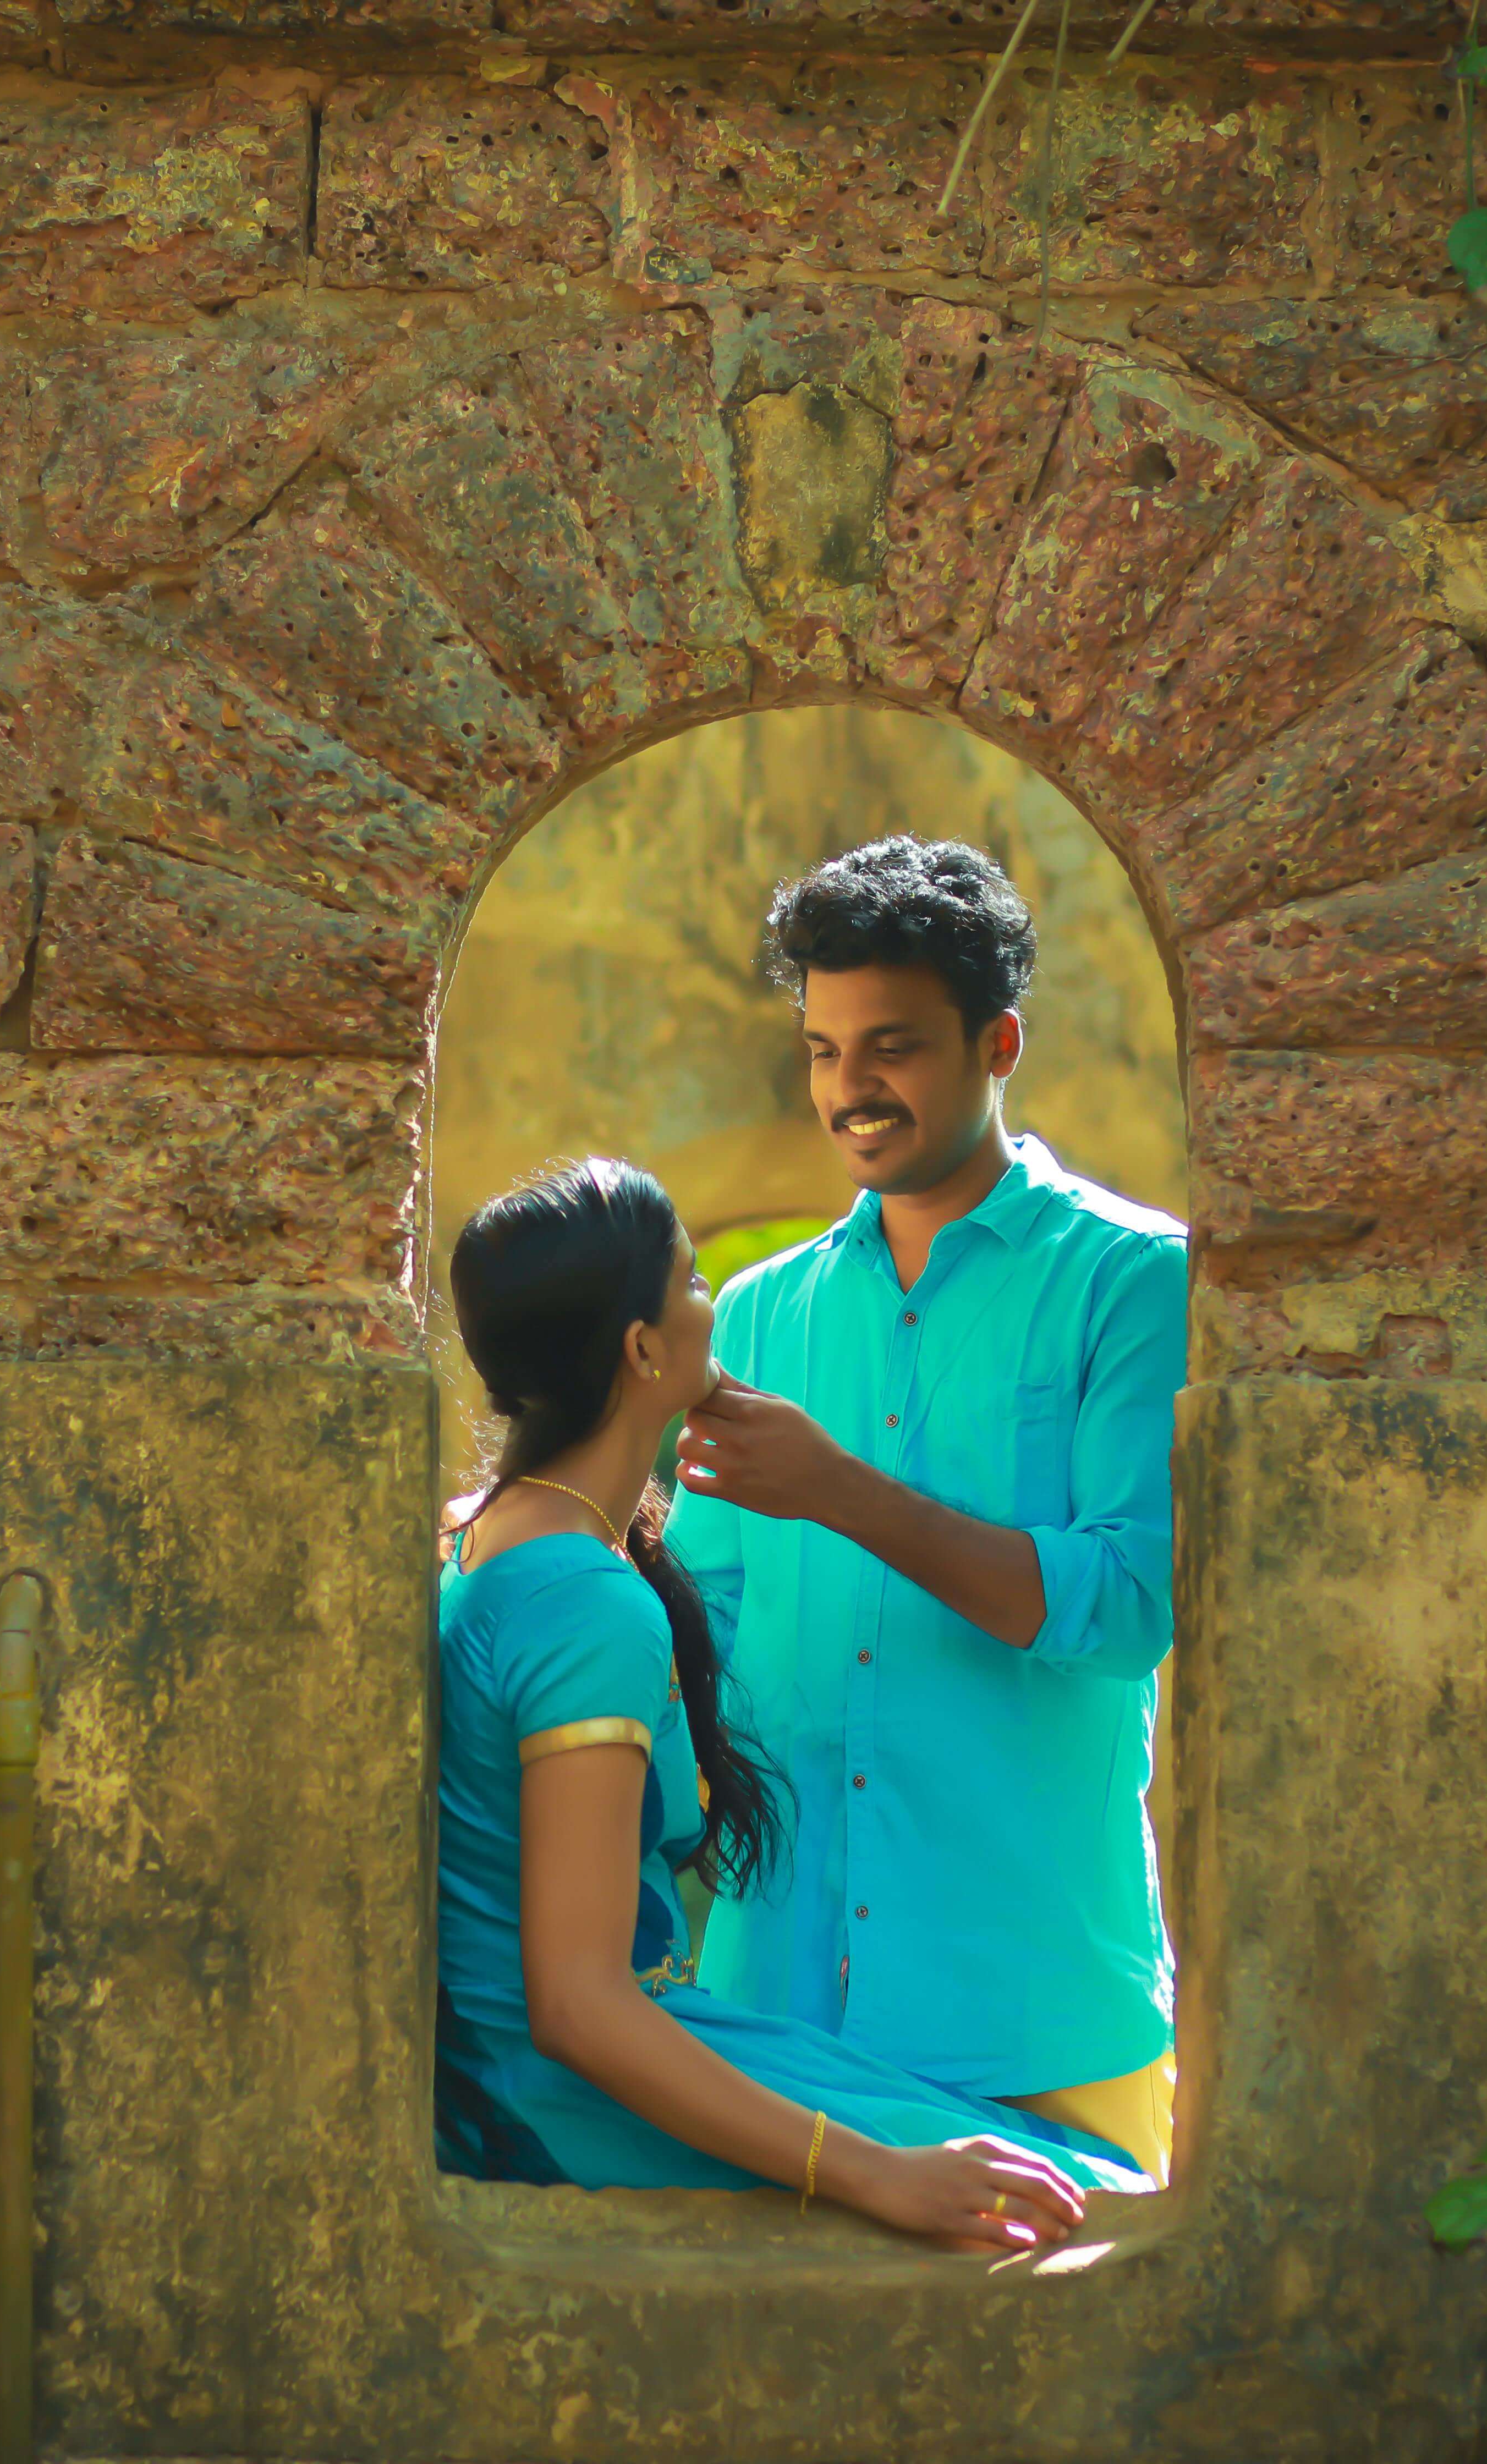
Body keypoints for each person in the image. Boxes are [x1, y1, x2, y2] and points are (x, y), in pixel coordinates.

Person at [433, 1158, 1151, 2242]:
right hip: (568, 2099)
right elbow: (579, 2004)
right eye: (689, 1283)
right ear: (640, 1349)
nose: (716, 1299)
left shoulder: (492, 1533)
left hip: (579, 2056)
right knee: (1077, 2203)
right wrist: (870, 2174)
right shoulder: (586, 1599)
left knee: (1061, 2175)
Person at [670, 838, 1191, 2182]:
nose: (852, 1089)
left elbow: (1128, 1606)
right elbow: (708, 1633)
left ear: (998, 1039)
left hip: (1035, 2010)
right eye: (825, 1049)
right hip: (775, 2009)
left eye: (891, 1045)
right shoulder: (762, 1314)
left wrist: (839, 1491)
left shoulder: (1133, 1283)